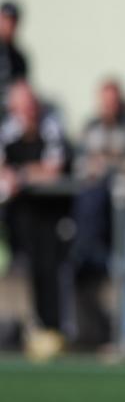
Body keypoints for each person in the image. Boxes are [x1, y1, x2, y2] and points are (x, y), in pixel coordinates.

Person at [67, 79, 125, 348]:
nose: (110, 107)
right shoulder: (90, 127)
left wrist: (106, 163)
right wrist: (107, 163)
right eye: (106, 101)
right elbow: (82, 168)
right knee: (115, 271)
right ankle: (120, 336)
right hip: (103, 217)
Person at [0, 82, 68, 350]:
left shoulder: (50, 128)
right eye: (22, 105)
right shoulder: (7, 131)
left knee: (48, 268)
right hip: (16, 215)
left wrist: (22, 175)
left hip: (49, 214)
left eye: (31, 104)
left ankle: (50, 327)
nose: (27, 111)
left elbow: (53, 170)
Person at [0, 1, 27, 107]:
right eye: (5, 19)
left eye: (12, 21)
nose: (8, 25)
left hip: (8, 114)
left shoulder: (18, 59)